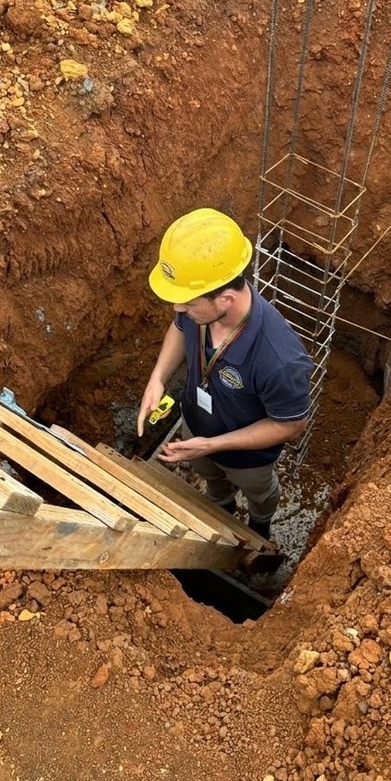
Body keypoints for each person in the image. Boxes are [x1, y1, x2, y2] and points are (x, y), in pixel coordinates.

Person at [137, 208, 313, 540]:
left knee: (260, 495)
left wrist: (212, 445)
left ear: (226, 299)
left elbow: (289, 424)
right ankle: (222, 508)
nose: (179, 309)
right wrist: (157, 378)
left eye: (188, 304)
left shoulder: (279, 359)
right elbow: (178, 328)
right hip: (197, 430)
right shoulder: (199, 310)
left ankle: (259, 526)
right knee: (213, 484)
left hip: (247, 458)